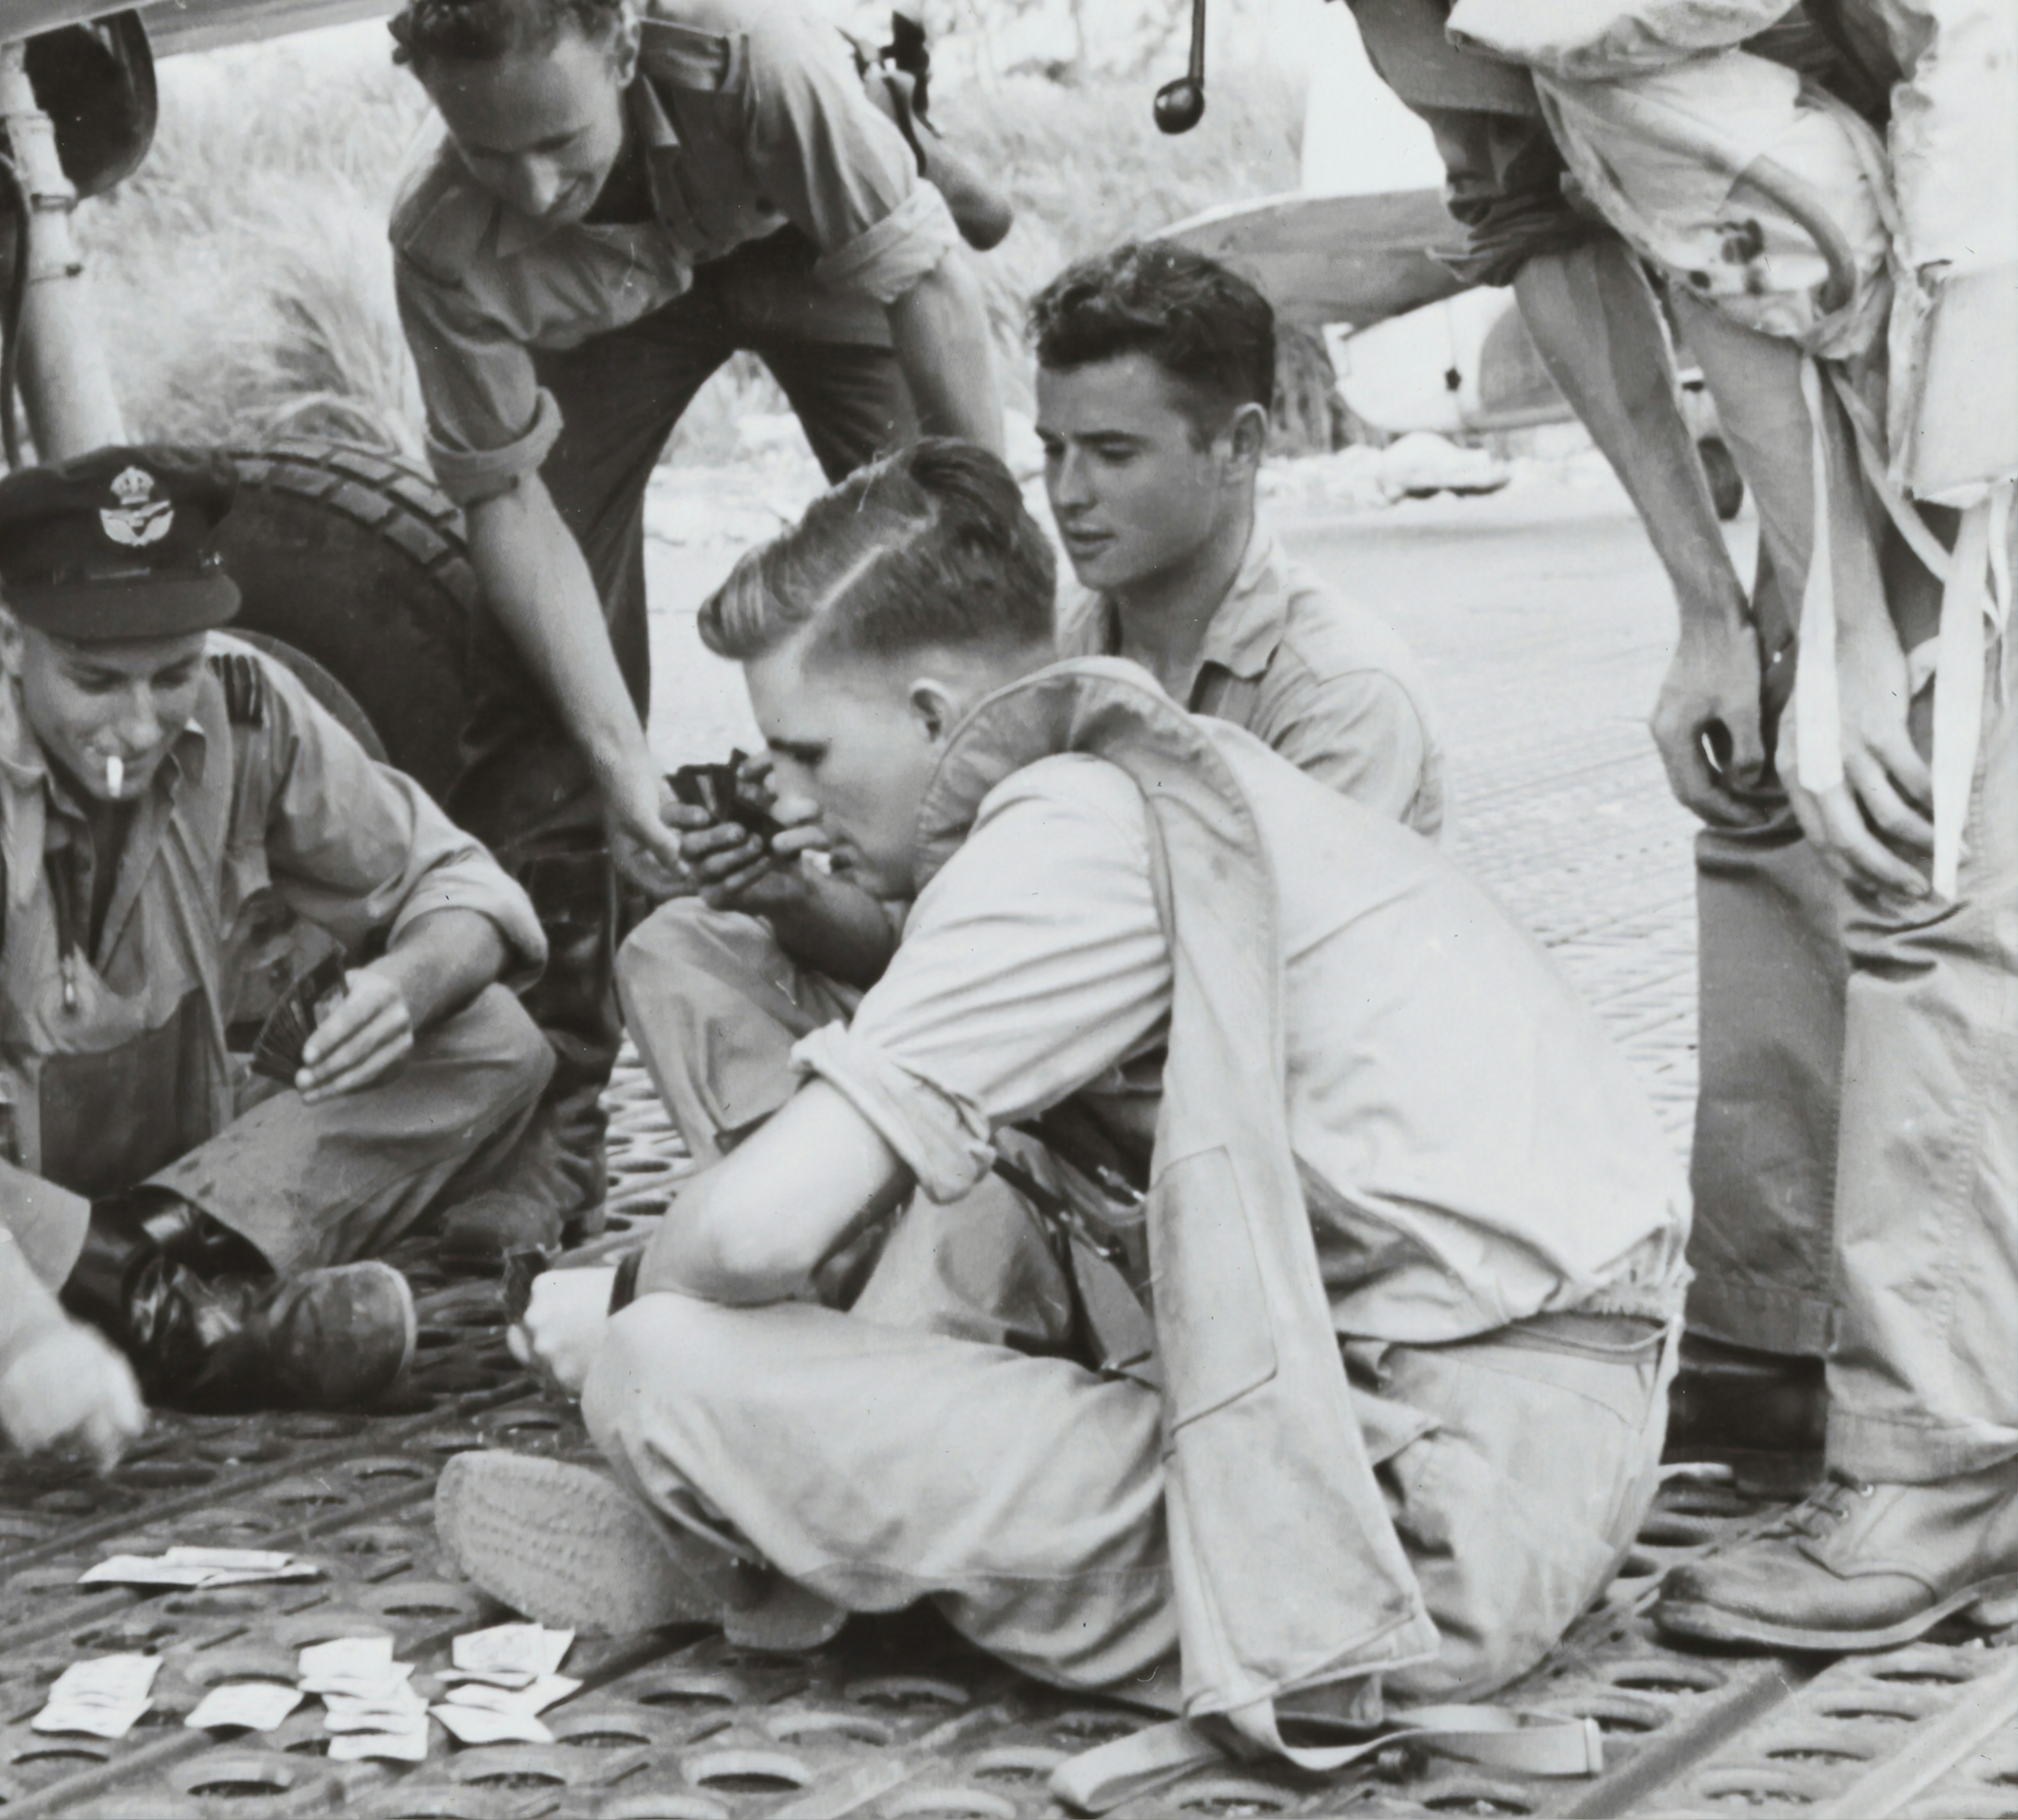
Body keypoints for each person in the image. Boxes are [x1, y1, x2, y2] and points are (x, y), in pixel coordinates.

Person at [962, 0, 2018, 1646]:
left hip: (1946, 158)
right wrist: (1709, 621)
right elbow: (1560, 233)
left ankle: (1940, 1470)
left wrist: (1832, 633)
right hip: (1845, 213)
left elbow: (1753, 219)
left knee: (1916, 825)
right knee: (1754, 783)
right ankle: (1786, 1334)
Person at [436, 443, 1688, 1791]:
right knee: (983, 1189)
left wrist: (617, 1297)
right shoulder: (1168, 774)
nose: (786, 801)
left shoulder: (1065, 830)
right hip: (1505, 1432)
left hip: (1406, 1539)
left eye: (806, 753)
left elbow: (743, 1241)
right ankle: (793, 1520)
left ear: (931, 711)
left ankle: (769, 1537)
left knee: (663, 1364)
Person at [0, 448, 552, 1474]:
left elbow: (461, 889)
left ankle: (121, 1285)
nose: (136, 723)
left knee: (488, 1037)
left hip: (177, 1172)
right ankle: (158, 1315)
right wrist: (26, 1333)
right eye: (93, 681)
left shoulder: (248, 704)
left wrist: (407, 979)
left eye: (171, 677)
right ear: (7, 640)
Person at [384, 0, 1017, 1255]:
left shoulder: (750, 48)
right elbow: (510, 510)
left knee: (932, 609)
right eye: (491, 153)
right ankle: (540, 1138)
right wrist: (618, 760)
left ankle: (990, 1029)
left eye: (557, 143)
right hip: (615, 315)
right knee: (535, 682)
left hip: (800, 233)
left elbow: (925, 293)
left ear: (618, 53)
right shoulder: (450, 235)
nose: (534, 189)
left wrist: (1000, 552)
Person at [605, 238, 1442, 1224]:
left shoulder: (1338, 697)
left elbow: (1282, 1036)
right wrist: (786, 896)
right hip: (1037, 1082)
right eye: (1051, 448)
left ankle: (855, 1252)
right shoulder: (1050, 641)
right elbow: (933, 933)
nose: (1070, 491)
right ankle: (821, 1233)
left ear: (1241, 446)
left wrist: (969, 1045)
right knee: (686, 949)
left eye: (1113, 452)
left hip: (1226, 1157)